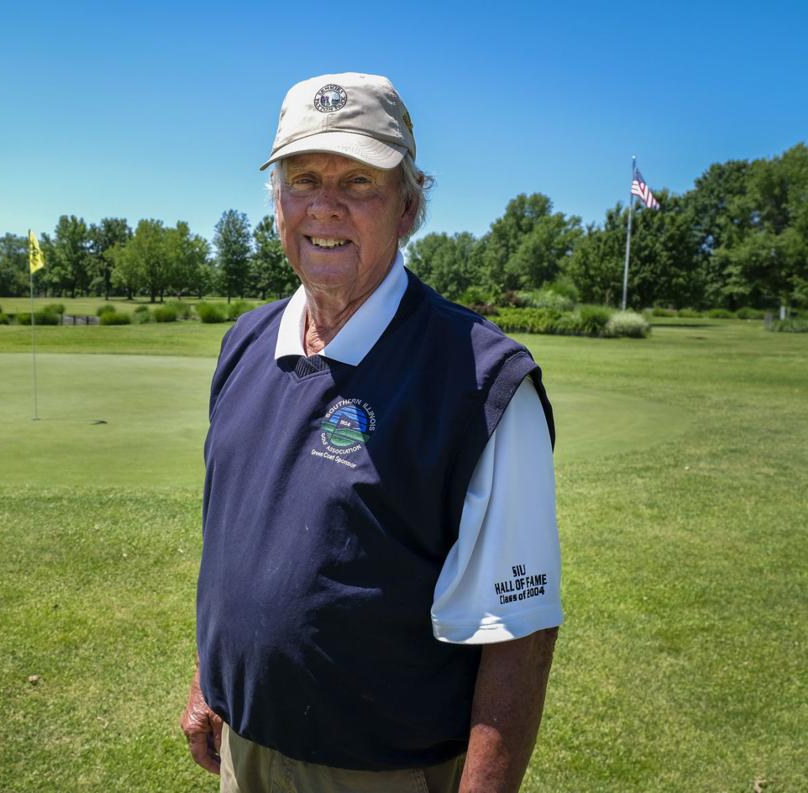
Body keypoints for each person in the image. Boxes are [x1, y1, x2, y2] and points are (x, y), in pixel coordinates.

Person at [181, 73, 563, 793]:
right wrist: (211, 676)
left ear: (409, 206)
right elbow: (235, 543)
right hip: (244, 751)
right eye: (302, 178)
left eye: (358, 181)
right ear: (277, 203)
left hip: (383, 772)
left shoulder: (482, 380)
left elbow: (519, 633)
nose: (324, 205)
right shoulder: (245, 340)